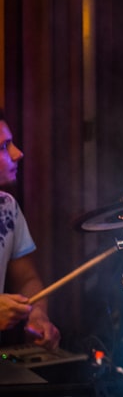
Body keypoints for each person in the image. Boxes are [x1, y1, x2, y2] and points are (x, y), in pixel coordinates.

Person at [0, 109, 60, 350]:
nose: (18, 153)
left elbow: (28, 281)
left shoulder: (7, 207)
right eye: (4, 147)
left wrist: (38, 316)